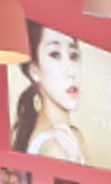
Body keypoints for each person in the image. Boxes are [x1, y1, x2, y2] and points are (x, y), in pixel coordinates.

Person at [12, 23, 87, 164]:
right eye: (55, 54)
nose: (71, 72)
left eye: (73, 56)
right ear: (34, 71)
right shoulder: (54, 148)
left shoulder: (73, 136)